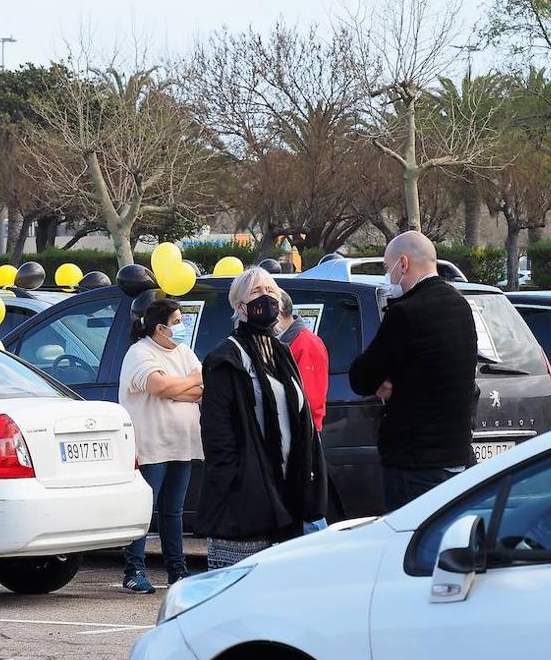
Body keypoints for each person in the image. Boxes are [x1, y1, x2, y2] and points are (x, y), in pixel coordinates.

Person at [197, 267, 326, 569]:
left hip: (288, 491)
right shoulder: (225, 357)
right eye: (256, 292)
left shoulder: (281, 352)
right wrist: (238, 479)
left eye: (270, 291)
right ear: (239, 306)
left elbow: (301, 416)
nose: (266, 297)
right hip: (247, 498)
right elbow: (217, 432)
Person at [349, 230, 478, 511]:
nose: (388, 276)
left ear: (403, 263)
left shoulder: (406, 312)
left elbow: (361, 377)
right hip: (457, 452)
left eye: (387, 267)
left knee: (411, 545)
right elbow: (436, 367)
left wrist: (386, 381)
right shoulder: (460, 305)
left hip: (414, 461)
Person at [118, 298, 203, 594]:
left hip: (182, 443)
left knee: (173, 510)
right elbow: (156, 386)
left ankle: (177, 570)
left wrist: (175, 389)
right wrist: (185, 384)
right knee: (144, 509)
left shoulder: (185, 353)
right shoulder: (139, 353)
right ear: (159, 328)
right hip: (151, 445)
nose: (181, 327)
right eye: (177, 322)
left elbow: (201, 387)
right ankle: (134, 570)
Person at [276, 290, 328, 432]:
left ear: (278, 313)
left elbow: (311, 402)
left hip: (301, 433)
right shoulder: (283, 341)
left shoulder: (307, 344)